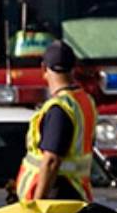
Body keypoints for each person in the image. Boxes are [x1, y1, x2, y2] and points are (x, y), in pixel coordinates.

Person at [15, 40, 98, 202]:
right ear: (73, 69)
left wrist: (38, 203)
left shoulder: (59, 108)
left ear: (44, 68)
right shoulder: (84, 101)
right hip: (75, 192)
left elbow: (51, 161)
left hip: (56, 197)